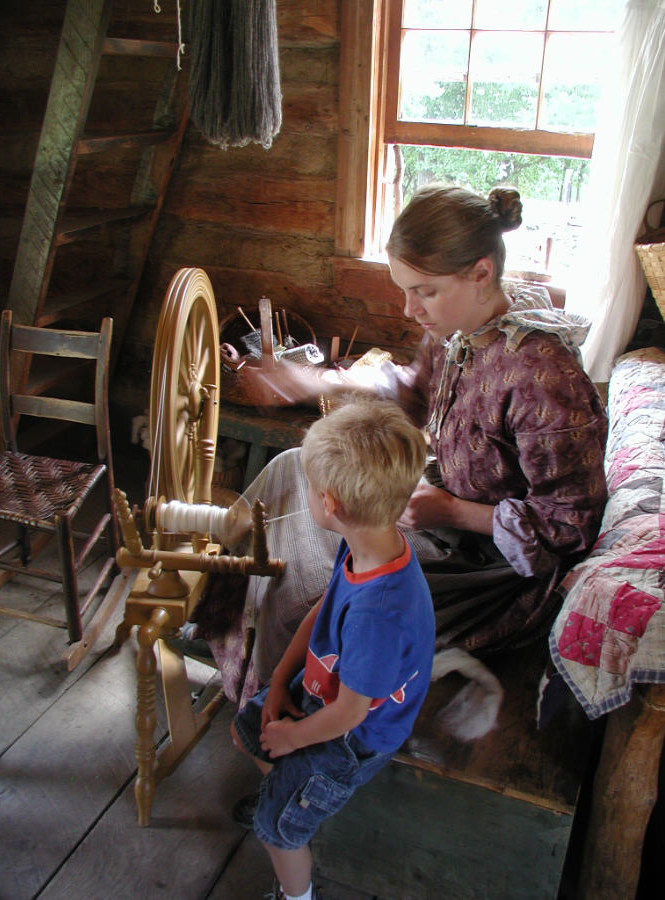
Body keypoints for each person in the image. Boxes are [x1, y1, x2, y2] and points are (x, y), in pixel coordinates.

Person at [187, 183, 608, 706]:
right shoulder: (461, 328)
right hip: (441, 507)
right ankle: (230, 622)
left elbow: (569, 528)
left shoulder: (543, 376)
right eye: (404, 289)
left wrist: (452, 512)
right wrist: (313, 382)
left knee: (317, 598)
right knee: (292, 469)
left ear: (480, 273)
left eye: (423, 291)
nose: (410, 310)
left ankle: (288, 721)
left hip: (491, 567)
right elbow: (413, 393)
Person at [230, 398, 435, 900]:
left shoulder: (378, 614)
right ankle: (293, 792)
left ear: (332, 506)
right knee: (245, 730)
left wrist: (297, 739)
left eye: (309, 487)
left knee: (275, 831)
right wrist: (279, 678)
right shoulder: (368, 542)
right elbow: (326, 606)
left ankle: (296, 890)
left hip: (353, 737)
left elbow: (349, 715)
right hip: (325, 688)